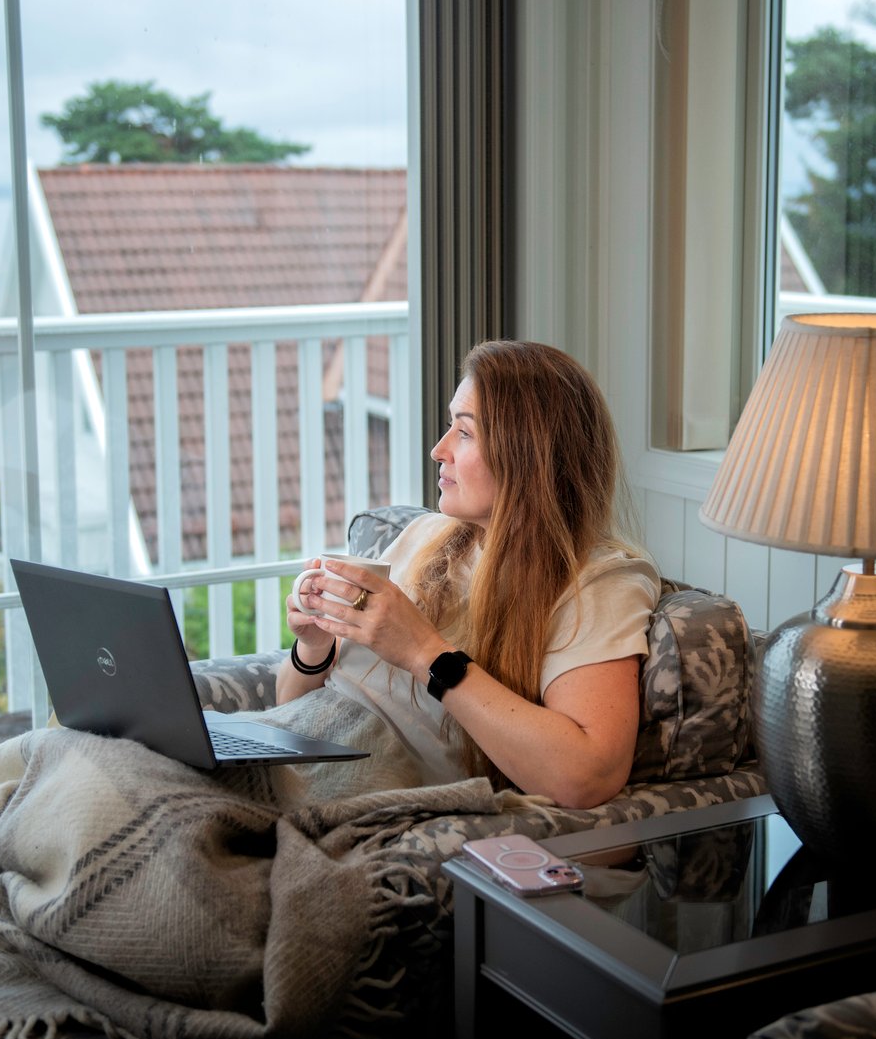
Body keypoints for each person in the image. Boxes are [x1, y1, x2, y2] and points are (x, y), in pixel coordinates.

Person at [274, 340, 658, 810]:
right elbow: (288, 708)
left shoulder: (595, 582)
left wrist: (423, 651)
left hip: (363, 790)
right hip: (298, 754)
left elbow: (586, 776)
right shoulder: (426, 535)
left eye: (466, 433)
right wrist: (314, 647)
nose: (439, 450)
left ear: (530, 454)